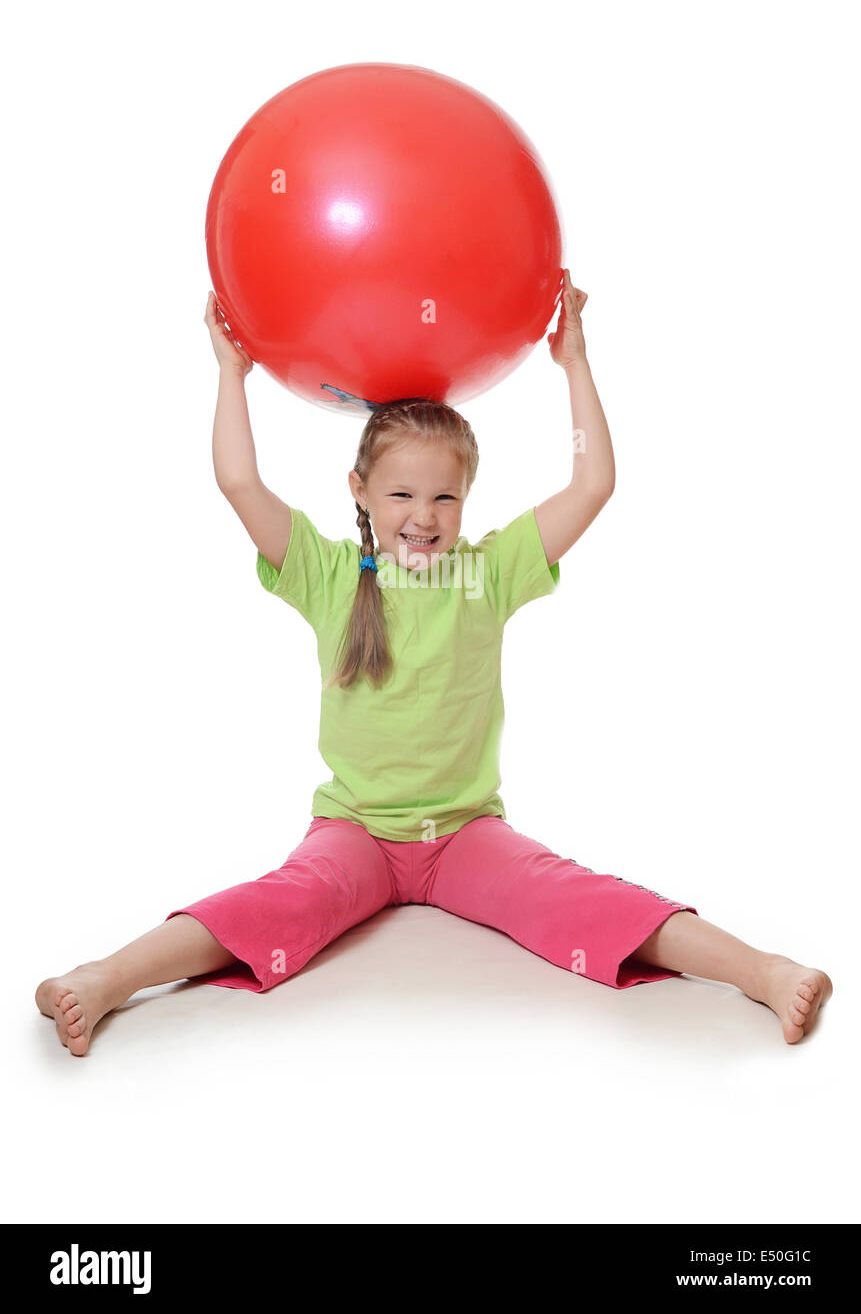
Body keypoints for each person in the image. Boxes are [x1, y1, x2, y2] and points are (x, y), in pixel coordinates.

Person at [35, 271, 832, 1055]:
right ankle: (104, 979)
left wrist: (574, 361)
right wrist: (231, 373)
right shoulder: (328, 574)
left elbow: (593, 484)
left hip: (463, 836)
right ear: (360, 490)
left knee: (575, 900)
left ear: (467, 500)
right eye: (400, 497)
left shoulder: (488, 573)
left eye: (444, 499)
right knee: (276, 906)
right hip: (355, 832)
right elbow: (238, 480)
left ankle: (760, 970)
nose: (422, 518)